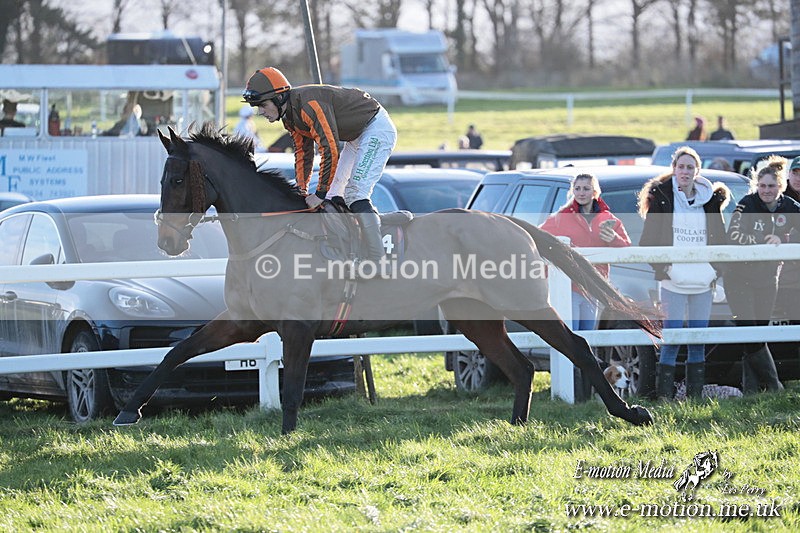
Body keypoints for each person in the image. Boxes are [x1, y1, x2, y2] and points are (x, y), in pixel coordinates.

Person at [242, 67, 397, 263]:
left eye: (263, 105)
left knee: (355, 194)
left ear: (279, 98)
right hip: (356, 136)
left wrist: (319, 193)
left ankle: (377, 258)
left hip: (376, 129)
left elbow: (329, 149)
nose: (260, 112)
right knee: (335, 197)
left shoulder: (310, 105)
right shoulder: (289, 117)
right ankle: (352, 250)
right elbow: (303, 153)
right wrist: (301, 191)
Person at [638, 146, 730, 400]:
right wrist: (664, 270)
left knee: (698, 340)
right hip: (672, 281)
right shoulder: (662, 199)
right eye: (681, 167)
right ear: (674, 169)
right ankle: (665, 397)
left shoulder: (710, 201)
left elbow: (719, 241)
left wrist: (714, 271)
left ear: (697, 171)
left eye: (690, 167)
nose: (685, 172)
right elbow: (648, 243)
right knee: (672, 339)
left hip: (703, 281)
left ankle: (695, 398)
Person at [726, 155, 800, 394]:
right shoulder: (746, 204)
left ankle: (751, 392)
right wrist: (760, 240)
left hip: (769, 278)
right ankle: (774, 386)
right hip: (739, 279)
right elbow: (733, 236)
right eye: (762, 186)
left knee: (758, 335)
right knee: (751, 332)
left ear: (780, 185)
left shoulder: (789, 207)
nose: (766, 190)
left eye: (771, 186)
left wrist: (784, 239)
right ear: (756, 186)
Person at [540, 173, 631, 331]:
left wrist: (613, 239)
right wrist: (547, 275)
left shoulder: (608, 218)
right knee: (572, 334)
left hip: (593, 287)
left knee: (587, 336)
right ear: (573, 191)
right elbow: (539, 239)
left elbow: (626, 250)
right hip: (569, 287)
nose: (581, 193)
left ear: (595, 192)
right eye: (577, 188)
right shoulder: (560, 218)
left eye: (586, 189)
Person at [774, 155, 800, 324]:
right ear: (789, 174)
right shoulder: (778, 201)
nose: (798, 178)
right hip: (782, 278)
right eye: (795, 173)